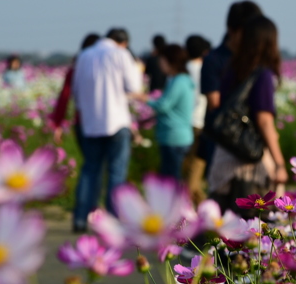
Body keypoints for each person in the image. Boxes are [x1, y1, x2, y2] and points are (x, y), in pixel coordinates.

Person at [208, 15, 286, 216]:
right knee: (251, 230)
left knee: (224, 227)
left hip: (225, 155)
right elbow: (264, 121)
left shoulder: (232, 68)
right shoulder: (262, 74)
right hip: (249, 161)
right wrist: (279, 163)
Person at [71, 27, 143, 233]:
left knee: (90, 170)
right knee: (116, 173)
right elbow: (134, 88)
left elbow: (76, 91)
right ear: (123, 43)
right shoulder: (121, 54)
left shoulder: (84, 56)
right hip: (117, 121)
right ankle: (113, 220)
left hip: (91, 123)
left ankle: (80, 218)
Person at [199, 2, 264, 184]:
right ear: (231, 29)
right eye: (247, 32)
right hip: (222, 138)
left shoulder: (253, 60)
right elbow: (214, 102)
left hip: (248, 139)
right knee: (223, 193)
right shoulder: (215, 59)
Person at [141, 44, 195, 181]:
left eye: (162, 60)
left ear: (170, 61)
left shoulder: (179, 81)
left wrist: (145, 98)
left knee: (171, 179)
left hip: (174, 136)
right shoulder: (182, 80)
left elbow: (164, 106)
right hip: (176, 135)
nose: (160, 63)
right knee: (172, 176)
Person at [50, 33, 101, 148]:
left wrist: (57, 123)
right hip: (105, 123)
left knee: (91, 161)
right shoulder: (107, 71)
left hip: (83, 121)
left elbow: (65, 97)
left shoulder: (75, 70)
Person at [183, 34, 211, 203]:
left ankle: (196, 202)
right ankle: (200, 203)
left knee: (187, 165)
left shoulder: (183, 68)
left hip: (184, 121)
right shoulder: (205, 67)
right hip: (200, 120)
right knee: (197, 165)